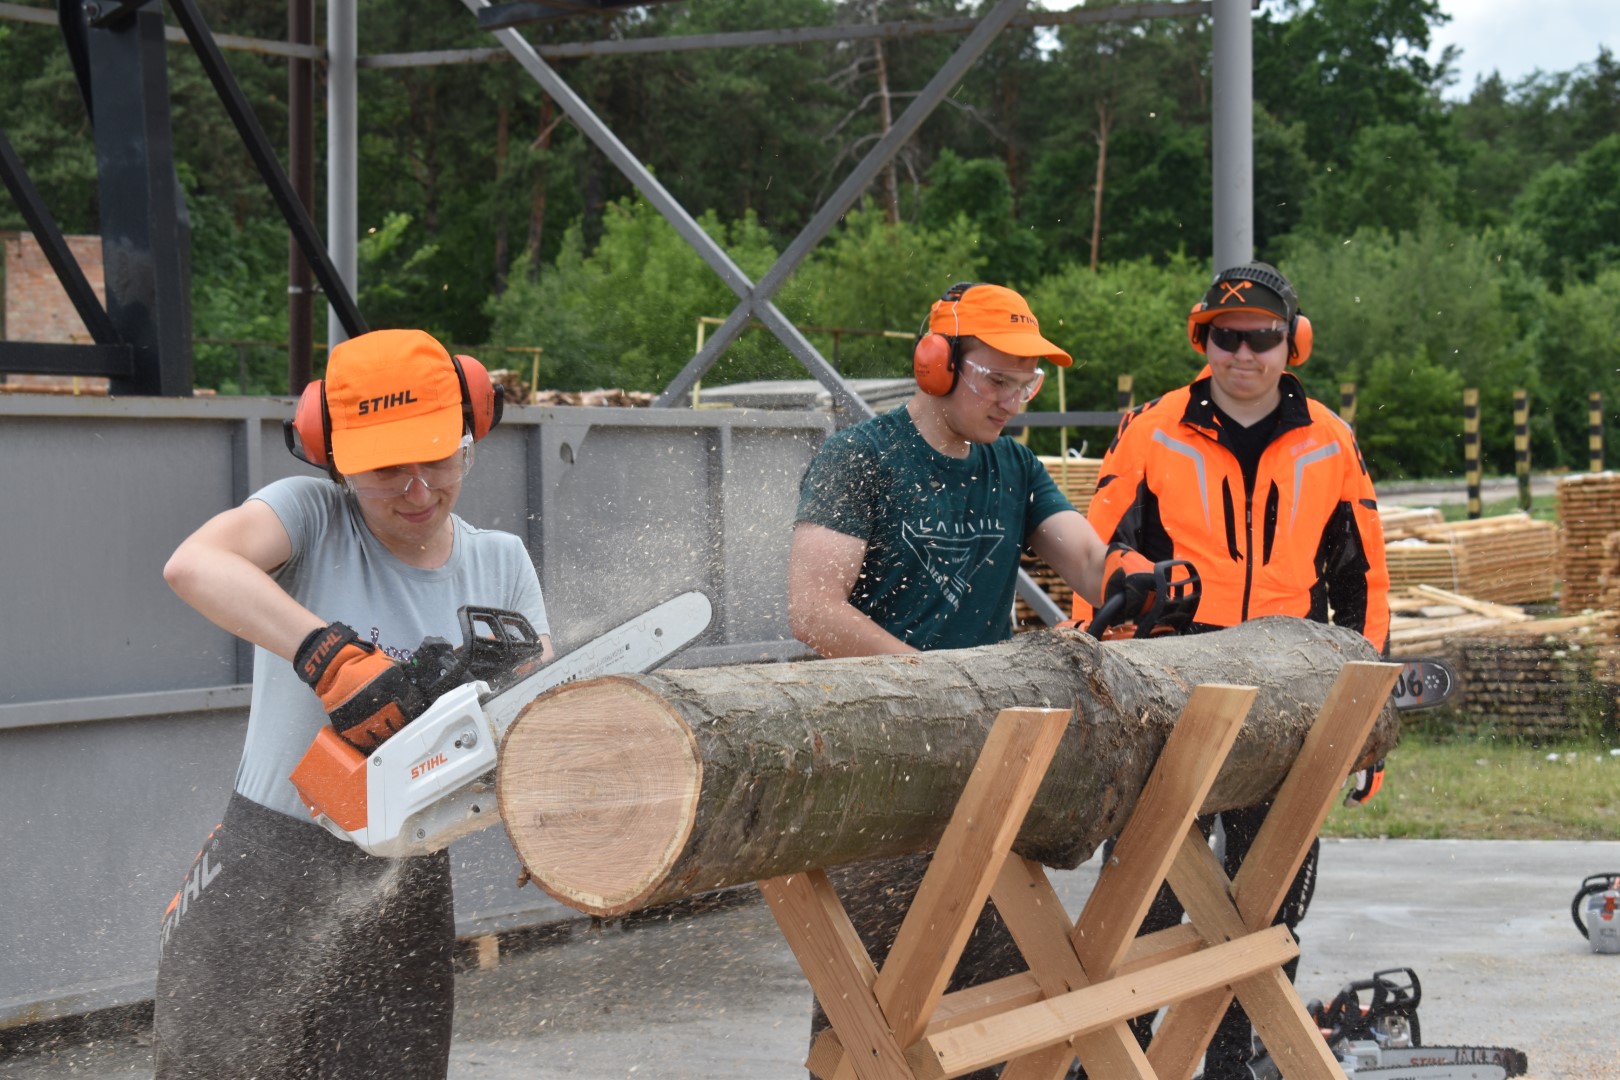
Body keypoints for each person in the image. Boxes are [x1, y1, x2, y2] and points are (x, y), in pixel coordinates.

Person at [788, 281, 1168, 1079]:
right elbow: (814, 610)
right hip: (881, 763)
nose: (1011, 402)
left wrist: (1135, 578)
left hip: (988, 766)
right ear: (937, 363)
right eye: (996, 380)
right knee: (875, 1007)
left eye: (1026, 385)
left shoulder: (1013, 465)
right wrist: (933, 684)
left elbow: (1088, 560)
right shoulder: (861, 458)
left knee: (998, 999)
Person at [152, 328, 551, 1079]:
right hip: (270, 861)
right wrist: (328, 657)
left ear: (469, 435)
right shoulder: (310, 516)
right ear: (335, 459)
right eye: (386, 472)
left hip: (408, 880)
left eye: (439, 460)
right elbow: (194, 564)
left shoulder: (500, 562)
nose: (419, 491)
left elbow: (540, 706)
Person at [1073, 261, 1391, 1079]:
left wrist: (1367, 719)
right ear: (1202, 339)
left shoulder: (1330, 439)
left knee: (1271, 900)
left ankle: (1236, 1061)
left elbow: (1363, 581)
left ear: (1293, 343)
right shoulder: (1153, 429)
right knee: (1144, 897)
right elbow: (1095, 557)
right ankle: (1115, 1057)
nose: (1243, 353)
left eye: (1261, 337)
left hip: (1290, 685)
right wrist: (1097, 682)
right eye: (1226, 337)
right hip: (1172, 680)